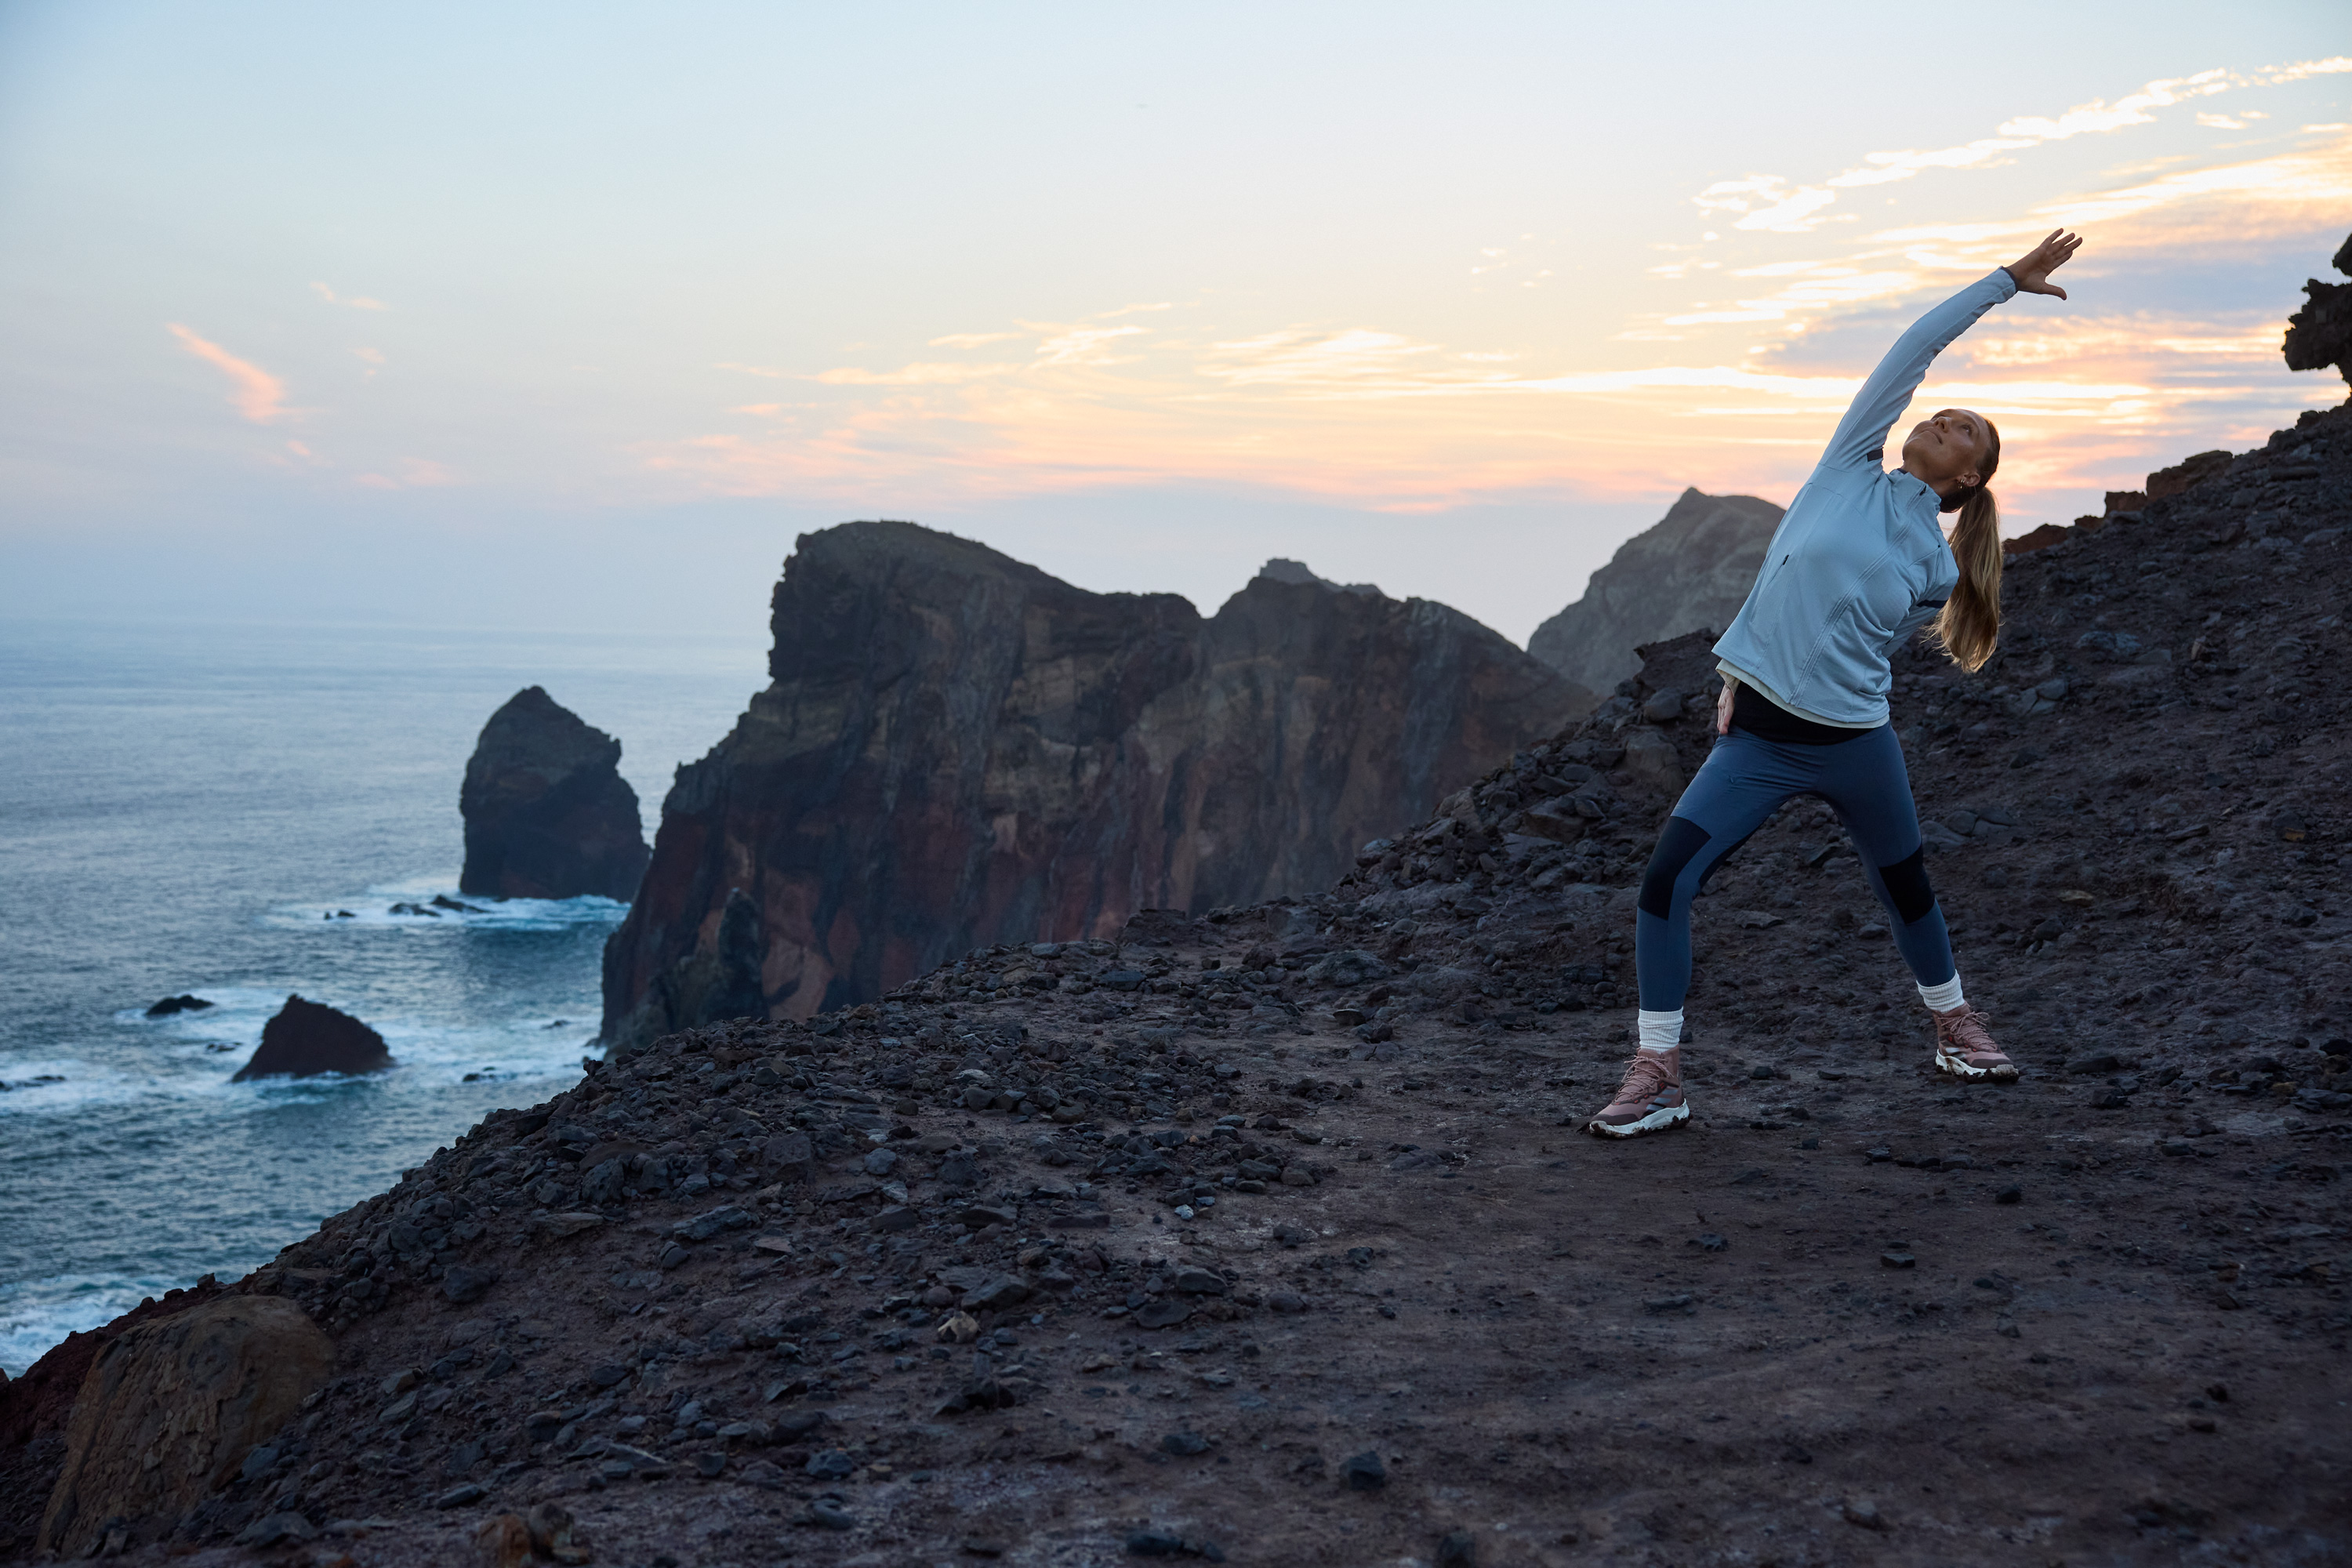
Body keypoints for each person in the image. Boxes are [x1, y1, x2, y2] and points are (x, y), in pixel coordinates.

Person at [1588, 229, 2083, 1138]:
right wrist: (2005, 283)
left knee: (1907, 886)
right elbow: (1911, 351)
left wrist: (1778, 670)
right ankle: (1659, 1071)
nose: (1943, 419)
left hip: (1857, 743)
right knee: (1665, 882)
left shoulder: (1936, 565)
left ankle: (1954, 1024)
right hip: (1762, 742)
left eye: (1963, 429)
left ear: (1966, 478)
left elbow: (1863, 641)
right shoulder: (1849, 465)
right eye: (1943, 413)